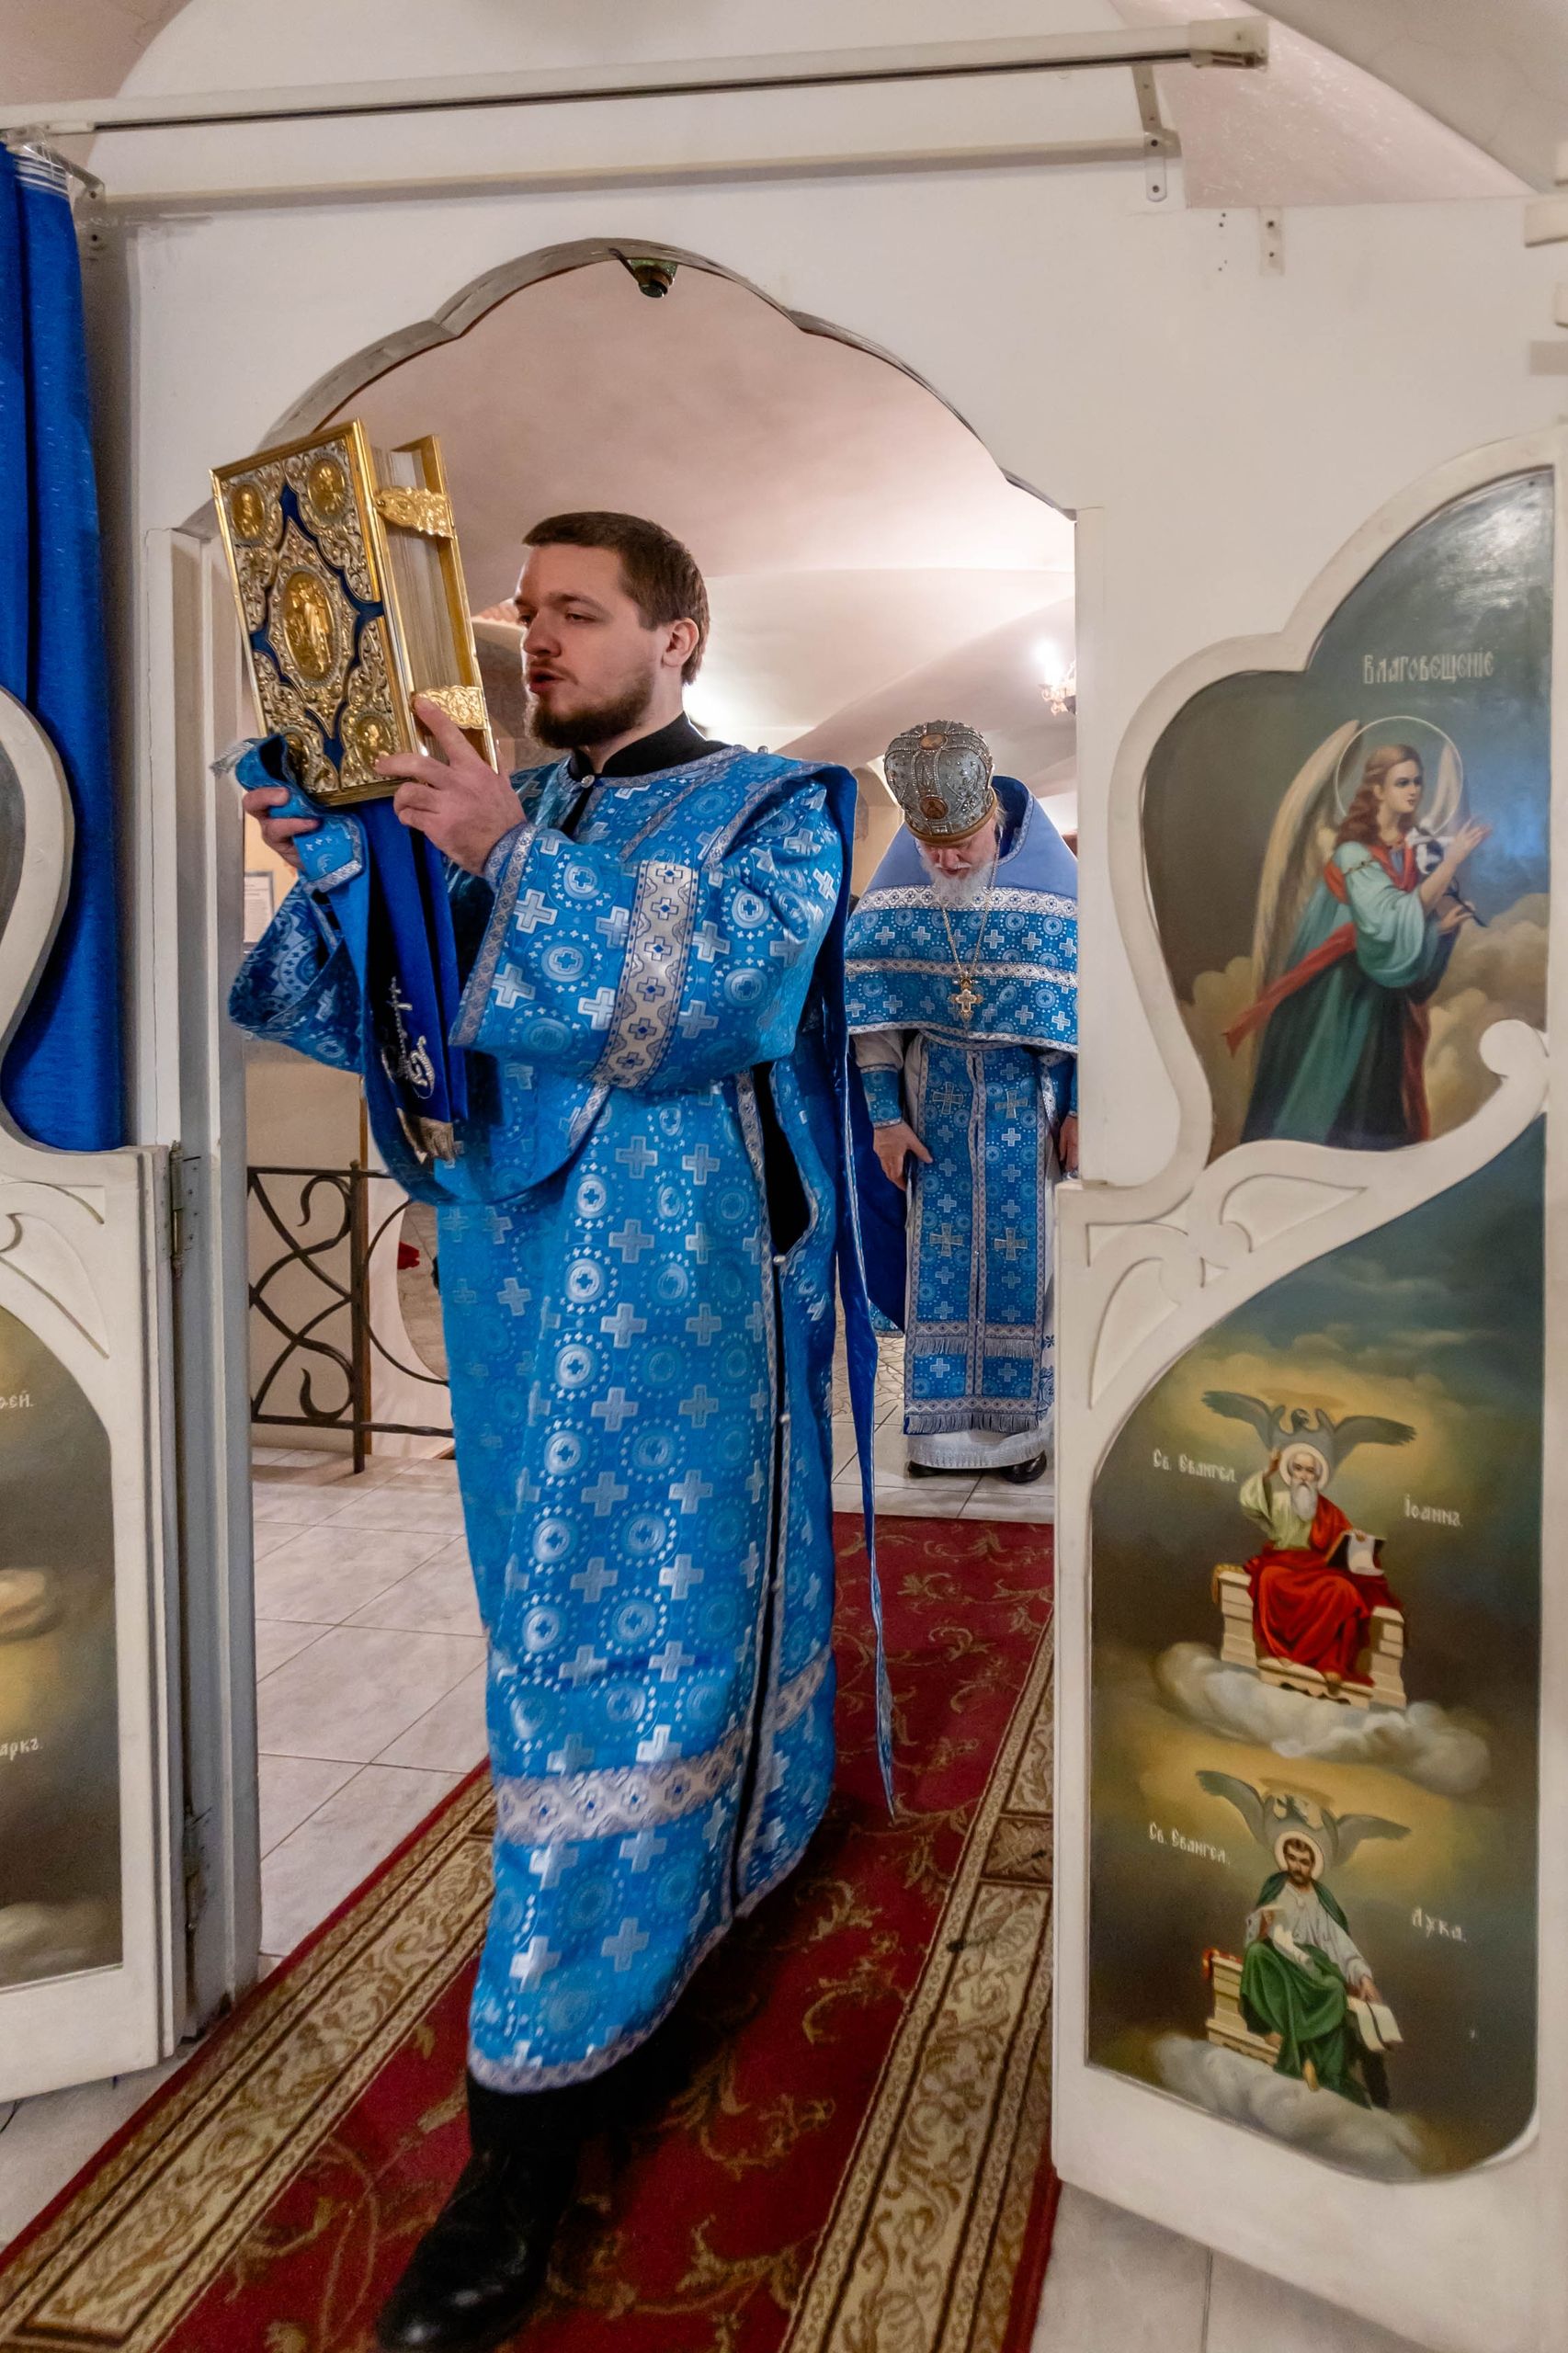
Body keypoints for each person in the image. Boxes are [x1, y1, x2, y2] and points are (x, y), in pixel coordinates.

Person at [231, 511, 884, 2353]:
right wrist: (346, 866)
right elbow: (398, 1030)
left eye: (577, 611)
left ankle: (524, 2119)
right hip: (517, 1289)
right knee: (547, 1635)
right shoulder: (500, 800)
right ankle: (700, 1869)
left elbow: (728, 997)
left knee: (629, 1647)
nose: (536, 637)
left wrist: (502, 854)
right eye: (524, 611)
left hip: (679, 1306)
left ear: (679, 635)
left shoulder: (779, 807)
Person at [844, 721, 1077, 1486]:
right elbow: (875, 1019)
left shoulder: (1056, 895)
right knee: (936, 1269)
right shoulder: (898, 898)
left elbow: (1090, 1016)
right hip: (934, 1097)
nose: (945, 861)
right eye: (929, 845)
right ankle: (938, 1443)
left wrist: (1081, 1111)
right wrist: (885, 1120)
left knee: (1022, 1274)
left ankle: (1017, 1439)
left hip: (1023, 1104)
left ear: (993, 818)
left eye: (962, 844)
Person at [1229, 744, 1489, 1149]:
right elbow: (1387, 920)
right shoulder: (1353, 854)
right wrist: (1451, 863)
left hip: (1382, 1000)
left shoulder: (1408, 852)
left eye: (1418, 781)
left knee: (1378, 1105)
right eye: (1402, 782)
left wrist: (1437, 933)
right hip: (1340, 998)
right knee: (1333, 1101)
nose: (1414, 790)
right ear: (1378, 790)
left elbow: (1405, 931)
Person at [1238, 1441, 1400, 1692]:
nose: (1303, 1476)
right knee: (1269, 1577)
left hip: (1319, 1569)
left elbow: (1344, 1542)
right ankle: (1284, 1654)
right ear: (1290, 1473)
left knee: (1344, 1590)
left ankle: (1330, 1664)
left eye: (1309, 1471)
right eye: (1298, 1469)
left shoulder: (1328, 1511)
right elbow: (1249, 1505)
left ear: (1317, 1477)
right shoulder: (1278, 1503)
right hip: (1282, 1564)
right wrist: (1268, 1471)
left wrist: (1356, 1538)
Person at [1241, 1833, 1387, 2105]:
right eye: (1292, 1859)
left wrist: (1363, 1977)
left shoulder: (1321, 1901)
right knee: (1256, 1954)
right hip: (1278, 1960)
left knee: (1333, 1988)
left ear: (1313, 1865)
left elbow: (1341, 1945)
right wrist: (1262, 1926)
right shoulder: (1275, 1888)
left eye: (1304, 1862)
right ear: (1284, 1858)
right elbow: (1252, 1937)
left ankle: (1305, 2055)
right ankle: (1277, 2034)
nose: (1297, 1867)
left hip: (1310, 1966)